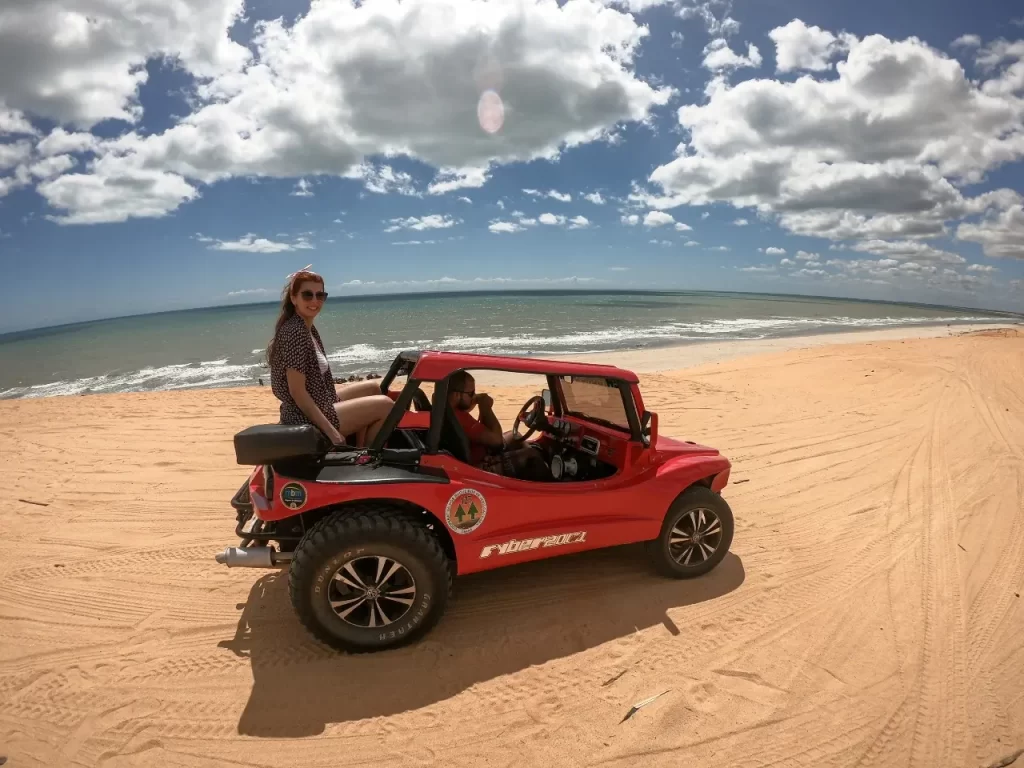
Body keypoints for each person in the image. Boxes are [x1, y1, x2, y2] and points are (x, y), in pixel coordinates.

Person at [266, 266, 393, 447]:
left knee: (372, 388)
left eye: (320, 295)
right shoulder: (295, 331)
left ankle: (359, 448)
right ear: (294, 298)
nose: (315, 301)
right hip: (302, 416)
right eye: (307, 295)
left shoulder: (306, 327)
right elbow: (298, 393)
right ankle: (369, 461)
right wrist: (331, 432)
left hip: (321, 400)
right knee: (386, 406)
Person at [447, 370, 551, 480]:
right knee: (531, 454)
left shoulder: (448, 411)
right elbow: (497, 441)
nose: (474, 397)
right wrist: (485, 407)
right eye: (471, 393)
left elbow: (466, 405)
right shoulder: (460, 418)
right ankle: (552, 489)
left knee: (513, 436)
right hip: (478, 468)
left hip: (473, 455)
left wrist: (476, 401)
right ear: (457, 395)